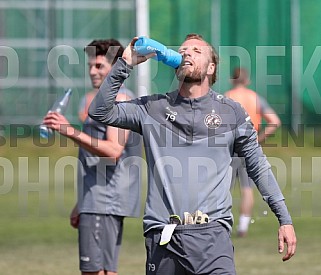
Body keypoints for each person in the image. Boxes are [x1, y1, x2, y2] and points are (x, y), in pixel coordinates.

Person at [88, 34, 296, 274]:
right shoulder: (151, 108)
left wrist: (285, 220)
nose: (187, 53)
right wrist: (124, 64)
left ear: (211, 67)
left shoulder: (232, 112)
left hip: (213, 238)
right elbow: (100, 111)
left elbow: (258, 167)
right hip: (163, 238)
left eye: (197, 51)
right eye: (183, 50)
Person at [42, 39, 142, 275]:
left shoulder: (120, 99)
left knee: (95, 271)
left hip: (105, 201)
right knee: (104, 271)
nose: (92, 71)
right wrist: (82, 202)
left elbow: (114, 150)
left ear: (117, 65)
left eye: (99, 66)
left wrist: (68, 130)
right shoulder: (104, 99)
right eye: (90, 66)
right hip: (97, 199)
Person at [225, 67, 282, 237]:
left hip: (229, 147)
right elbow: (274, 122)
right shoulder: (255, 98)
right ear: (247, 80)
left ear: (232, 80)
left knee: (223, 188)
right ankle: (243, 226)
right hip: (248, 148)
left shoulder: (227, 97)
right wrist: (258, 139)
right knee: (247, 189)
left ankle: (222, 223)